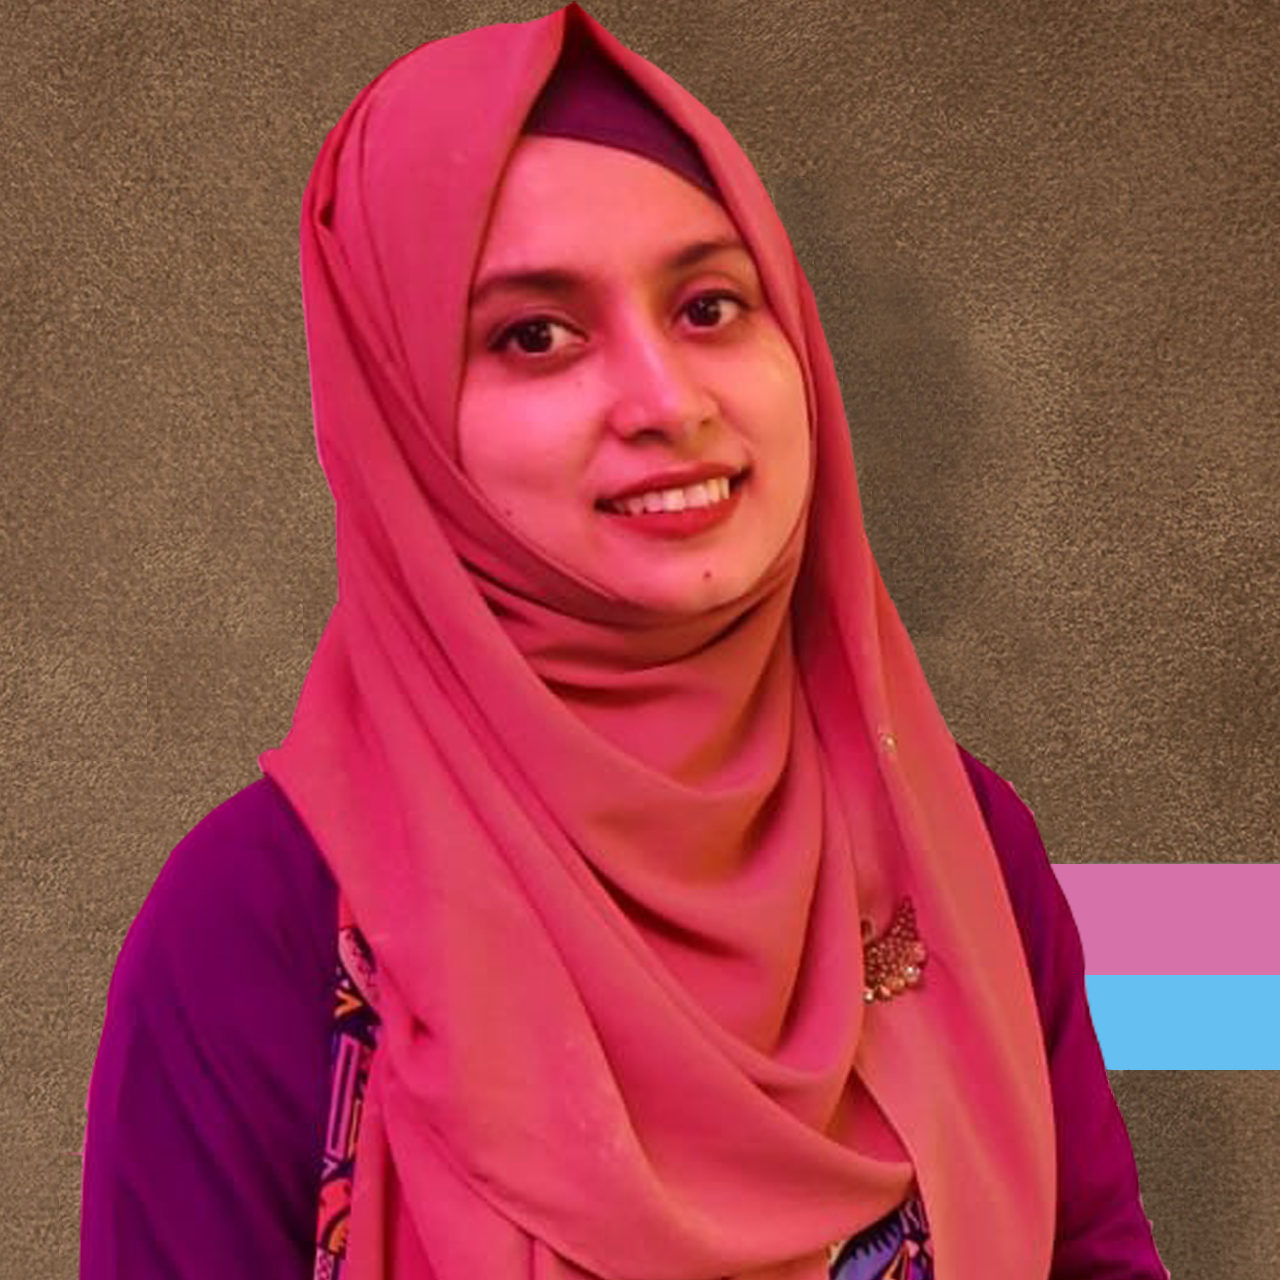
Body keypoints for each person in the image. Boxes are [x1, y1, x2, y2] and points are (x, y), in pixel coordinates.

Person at [79, 6, 1167, 1278]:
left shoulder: (956, 844)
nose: (665, 401)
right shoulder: (255, 926)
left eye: (709, 305)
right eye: (535, 334)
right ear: (401, 419)